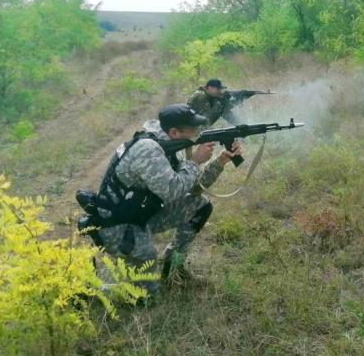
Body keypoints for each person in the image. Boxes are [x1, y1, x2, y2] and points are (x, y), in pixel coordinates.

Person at [77, 104, 242, 294]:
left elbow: (192, 187)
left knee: (199, 206)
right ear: (173, 132)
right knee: (146, 296)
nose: (197, 132)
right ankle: (89, 291)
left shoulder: (166, 144)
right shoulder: (148, 150)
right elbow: (173, 191)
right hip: (117, 226)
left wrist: (219, 162)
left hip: (140, 215)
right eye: (192, 129)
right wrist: (195, 161)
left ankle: (172, 267)